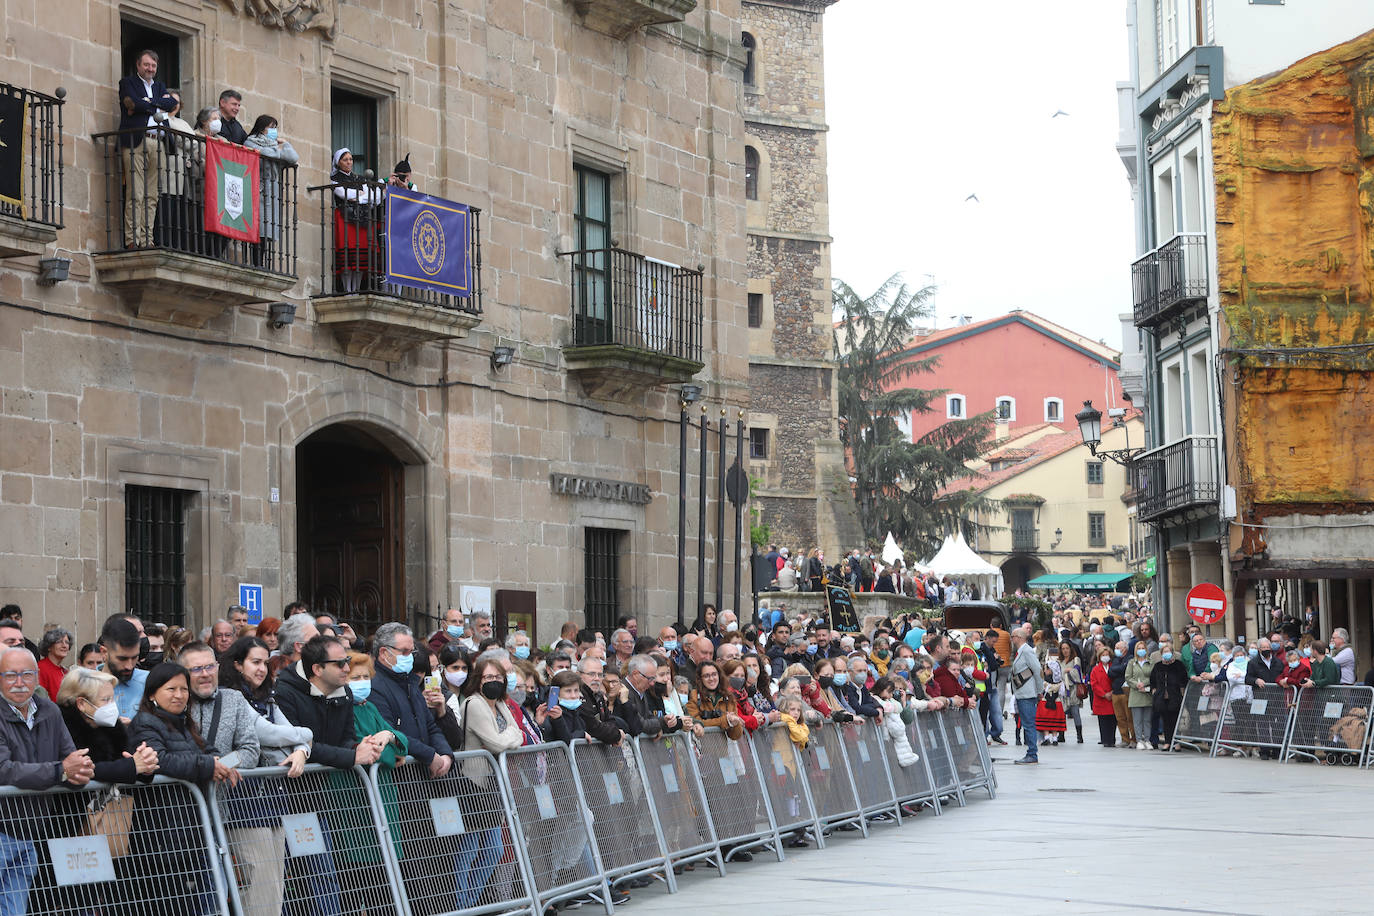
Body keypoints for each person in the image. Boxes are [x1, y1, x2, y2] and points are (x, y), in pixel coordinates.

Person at [367, 623, 453, 778]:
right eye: (404, 652)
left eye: (411, 651)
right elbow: (391, 732)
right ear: (384, 653)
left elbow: (430, 726)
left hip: (423, 777)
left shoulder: (410, 684)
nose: (410, 657)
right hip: (397, 778)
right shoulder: (374, 687)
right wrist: (430, 755)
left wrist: (445, 754)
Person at [117, 50, 177, 248]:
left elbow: (172, 103)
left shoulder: (159, 86)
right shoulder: (127, 83)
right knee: (135, 193)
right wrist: (156, 105)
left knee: (151, 196)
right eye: (147, 65)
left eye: (153, 66)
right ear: (138, 64)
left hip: (158, 143)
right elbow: (132, 103)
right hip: (137, 139)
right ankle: (132, 239)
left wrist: (148, 103)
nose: (150, 69)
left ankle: (147, 239)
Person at [243, 114, 299, 269]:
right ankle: (256, 262)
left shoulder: (273, 144)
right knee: (258, 227)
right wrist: (278, 151)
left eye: (275, 127)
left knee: (267, 229)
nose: (274, 130)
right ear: (262, 127)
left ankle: (261, 262)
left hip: (271, 192)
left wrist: (285, 143)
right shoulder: (251, 141)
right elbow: (264, 153)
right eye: (271, 127)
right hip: (258, 190)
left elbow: (293, 157)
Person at [330, 148, 382, 293]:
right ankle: (348, 289)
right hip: (345, 217)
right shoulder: (334, 179)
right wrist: (361, 195)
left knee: (361, 255)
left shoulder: (360, 179)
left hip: (362, 217)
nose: (349, 162)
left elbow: (374, 198)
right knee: (348, 255)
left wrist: (358, 196)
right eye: (345, 160)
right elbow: (342, 193)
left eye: (351, 159)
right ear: (338, 162)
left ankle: (356, 288)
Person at [1245, 637, 1286, 760]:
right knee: (1262, 725)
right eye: (1263, 648)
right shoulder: (1252, 663)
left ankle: (1278, 750)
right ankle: (1265, 750)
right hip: (1261, 697)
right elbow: (1247, 678)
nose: (1266, 650)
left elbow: (1283, 674)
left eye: (1268, 648)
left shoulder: (1278, 662)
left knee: (1278, 725)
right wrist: (1256, 680)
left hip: (1277, 697)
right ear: (1259, 649)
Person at [102, 618, 148, 722]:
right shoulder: (84, 685)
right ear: (104, 652)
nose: (129, 666)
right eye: (122, 659)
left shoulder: (150, 682)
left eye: (134, 657)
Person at [1010, 627, 1044, 764]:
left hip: (1027, 694)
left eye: (1013, 636)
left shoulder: (1027, 651)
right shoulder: (1021, 651)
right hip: (1022, 693)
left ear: (1018, 637)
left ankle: (1032, 753)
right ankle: (1031, 752)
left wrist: (1039, 691)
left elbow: (1037, 670)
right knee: (1027, 723)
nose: (1011, 639)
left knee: (1029, 724)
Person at [1149, 644, 1187, 750]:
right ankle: (1168, 741)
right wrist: (1154, 691)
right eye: (1164, 652)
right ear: (1161, 654)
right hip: (1161, 697)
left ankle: (1176, 742)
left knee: (1175, 720)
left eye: (1168, 651)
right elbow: (1152, 681)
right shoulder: (1158, 666)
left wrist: (1182, 692)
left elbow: (1183, 680)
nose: (1167, 654)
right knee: (1166, 720)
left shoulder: (1178, 665)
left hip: (1175, 696)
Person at [1125, 642, 1155, 750]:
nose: (1141, 650)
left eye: (1143, 648)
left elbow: (1153, 675)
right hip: (1136, 693)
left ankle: (1147, 739)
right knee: (1137, 720)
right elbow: (1128, 677)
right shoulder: (1132, 662)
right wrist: (1136, 684)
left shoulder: (1151, 662)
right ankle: (1139, 740)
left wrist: (1145, 683)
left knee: (1147, 719)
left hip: (1147, 693)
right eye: (1139, 648)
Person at [1057, 640, 1085, 744]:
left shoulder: (1076, 660)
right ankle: (1061, 735)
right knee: (1061, 713)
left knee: (1075, 712)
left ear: (1070, 649)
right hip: (1062, 691)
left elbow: (1078, 673)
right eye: (1063, 648)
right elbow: (1057, 674)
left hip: (1073, 691)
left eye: (1067, 648)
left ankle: (1079, 735)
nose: (1065, 651)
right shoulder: (1059, 661)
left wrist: (1070, 670)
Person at [1107, 640, 1134, 748]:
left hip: (1126, 692)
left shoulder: (1130, 658)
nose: (1116, 650)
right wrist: (1119, 669)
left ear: (1125, 648)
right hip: (1116, 692)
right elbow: (1110, 672)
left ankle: (1134, 739)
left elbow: (1125, 669)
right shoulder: (1116, 660)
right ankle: (1125, 739)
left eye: (1118, 647)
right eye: (1116, 647)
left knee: (1129, 717)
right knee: (1120, 718)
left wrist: (1117, 669)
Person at [1089, 649, 1117, 746]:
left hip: (1112, 697)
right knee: (1103, 721)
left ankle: (1112, 740)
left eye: (1107, 654)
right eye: (1103, 655)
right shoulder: (1095, 669)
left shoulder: (1113, 667)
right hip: (1101, 698)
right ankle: (1105, 740)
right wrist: (1104, 694)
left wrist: (1113, 692)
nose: (1105, 656)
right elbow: (1094, 684)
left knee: (1113, 720)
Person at [36, 627, 71, 700]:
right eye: (59, 642)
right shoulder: (41, 668)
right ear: (49, 647)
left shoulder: (64, 671)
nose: (64, 646)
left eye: (67, 642)